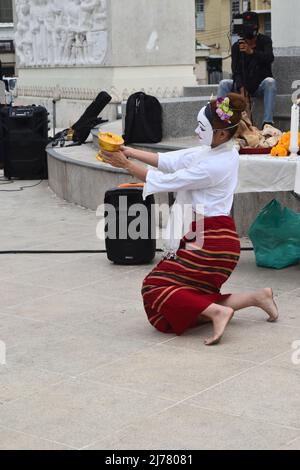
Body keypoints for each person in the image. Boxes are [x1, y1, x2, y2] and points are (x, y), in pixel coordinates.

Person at [102, 93, 279, 346]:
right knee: (192, 295)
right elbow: (169, 161)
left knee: (154, 287)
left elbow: (165, 181)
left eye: (202, 127)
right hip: (216, 238)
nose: (196, 130)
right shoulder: (216, 150)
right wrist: (128, 151)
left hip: (211, 241)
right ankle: (257, 298)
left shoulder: (214, 164)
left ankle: (218, 312)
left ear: (220, 134)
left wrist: (125, 165)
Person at [218, 11, 277, 129]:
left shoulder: (265, 41)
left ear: (256, 27)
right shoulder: (236, 47)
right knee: (223, 84)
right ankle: (222, 120)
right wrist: (241, 88)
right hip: (242, 86)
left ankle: (268, 123)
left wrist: (252, 52)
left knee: (270, 82)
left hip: (258, 86)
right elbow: (236, 71)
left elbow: (269, 58)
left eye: (251, 26)